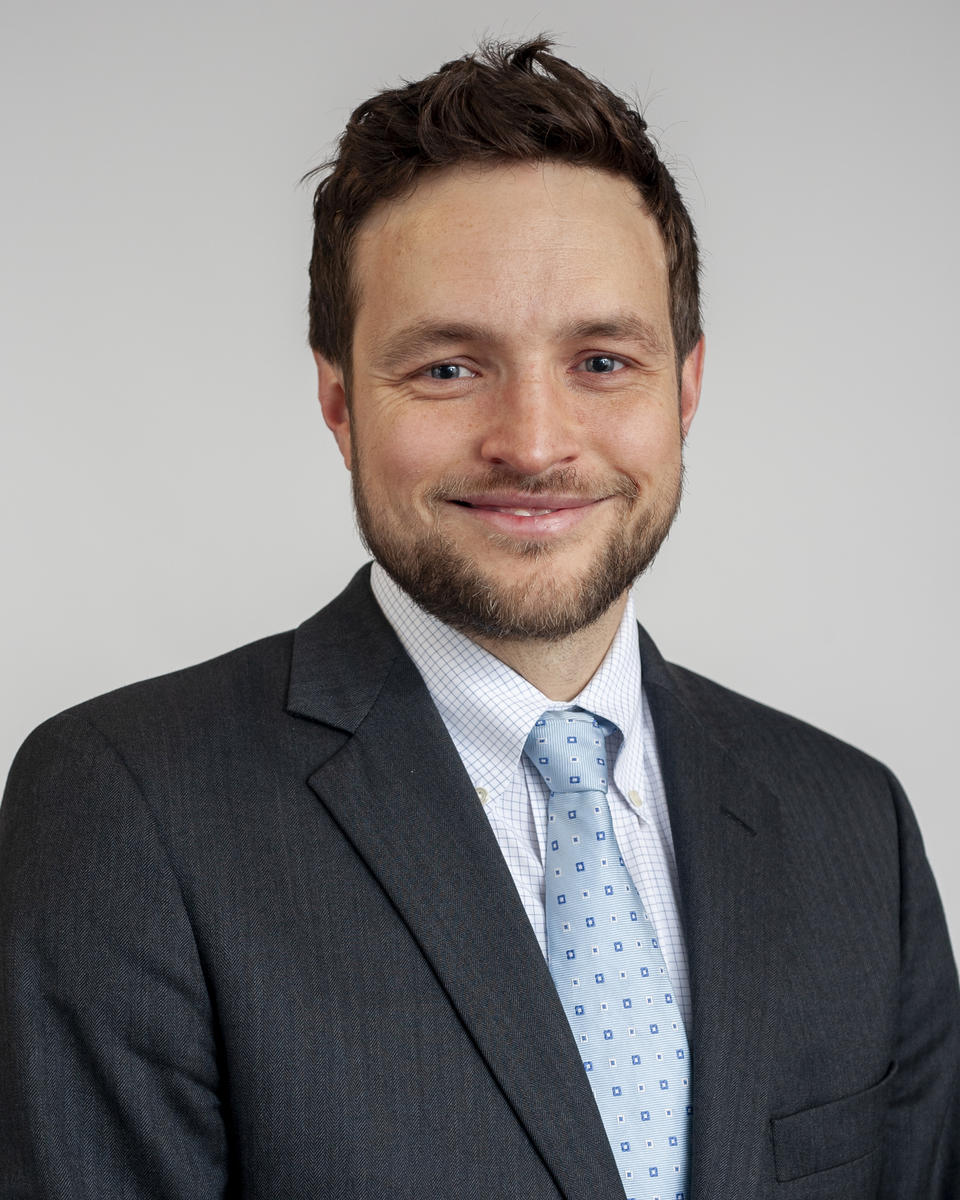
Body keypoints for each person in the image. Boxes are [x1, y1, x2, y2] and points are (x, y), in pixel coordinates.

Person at [0, 37, 957, 1200]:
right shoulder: (126, 811)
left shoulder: (854, 829)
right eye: (450, 369)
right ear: (339, 404)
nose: (536, 444)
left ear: (686, 390)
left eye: (604, 360)